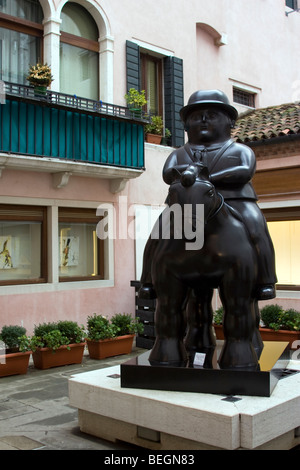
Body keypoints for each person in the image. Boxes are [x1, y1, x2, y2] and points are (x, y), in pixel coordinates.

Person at [140, 90, 276, 300]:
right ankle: (148, 278)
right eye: (196, 117)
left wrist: (203, 176)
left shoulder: (240, 150)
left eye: (211, 115)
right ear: (186, 125)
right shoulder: (178, 153)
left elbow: (245, 170)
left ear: (229, 121)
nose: (203, 120)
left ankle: (265, 278)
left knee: (257, 227)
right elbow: (168, 174)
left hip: (235, 200)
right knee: (157, 234)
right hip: (186, 204)